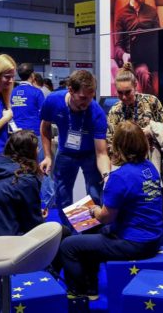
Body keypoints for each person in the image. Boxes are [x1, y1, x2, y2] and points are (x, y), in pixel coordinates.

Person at [59, 121, 163, 300]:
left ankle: (79, 293)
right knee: (90, 229)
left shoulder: (120, 177)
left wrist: (94, 210)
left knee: (69, 246)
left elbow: (106, 218)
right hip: (152, 238)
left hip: (134, 243)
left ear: (117, 146)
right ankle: (91, 289)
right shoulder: (150, 168)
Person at [40, 70, 110, 225]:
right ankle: (68, 230)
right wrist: (47, 156)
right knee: (62, 194)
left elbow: (101, 153)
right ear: (70, 90)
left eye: (91, 97)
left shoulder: (97, 113)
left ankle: (91, 232)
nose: (88, 102)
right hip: (65, 153)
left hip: (90, 154)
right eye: (83, 98)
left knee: (94, 195)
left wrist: (106, 175)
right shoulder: (53, 101)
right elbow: (45, 127)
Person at [11, 63, 53, 209]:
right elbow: (44, 115)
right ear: (33, 75)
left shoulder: (13, 92)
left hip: (17, 136)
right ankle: (48, 201)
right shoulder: (37, 93)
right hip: (35, 134)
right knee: (42, 167)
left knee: (20, 167)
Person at [113, 0, 160, 93]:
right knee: (143, 71)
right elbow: (117, 46)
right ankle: (148, 107)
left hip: (152, 57)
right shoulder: (121, 14)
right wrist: (124, 55)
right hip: (135, 60)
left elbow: (159, 38)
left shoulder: (152, 12)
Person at [106, 63, 163, 144]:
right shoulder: (114, 110)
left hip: (152, 153)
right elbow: (110, 140)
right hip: (124, 155)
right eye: (120, 93)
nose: (124, 97)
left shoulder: (151, 101)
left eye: (128, 92)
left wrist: (152, 130)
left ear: (135, 85)